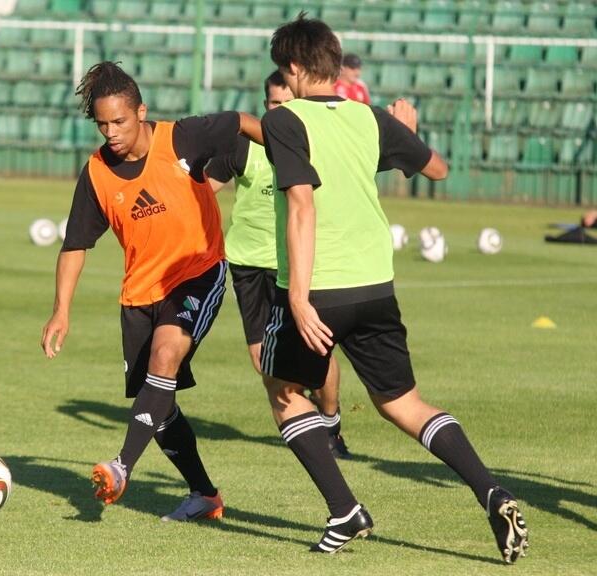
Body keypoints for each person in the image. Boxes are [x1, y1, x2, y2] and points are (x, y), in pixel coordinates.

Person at [259, 15, 529, 563]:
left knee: (284, 392)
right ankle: (491, 491)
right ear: (334, 62)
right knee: (403, 403)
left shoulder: (285, 121)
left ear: (291, 68)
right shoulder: (369, 118)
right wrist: (406, 131)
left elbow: (302, 206)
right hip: (376, 286)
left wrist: (298, 296)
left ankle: (345, 510)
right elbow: (438, 168)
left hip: (324, 288)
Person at [41, 62, 263, 521]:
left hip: (198, 272)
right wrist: (61, 311)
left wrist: (287, 149)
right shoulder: (98, 173)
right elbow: (75, 244)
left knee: (165, 357)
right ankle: (205, 495)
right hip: (140, 294)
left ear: (141, 111)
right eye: (102, 124)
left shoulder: (181, 138)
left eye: (119, 121)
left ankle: (122, 466)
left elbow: (239, 123)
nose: (111, 132)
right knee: (158, 405)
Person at [206, 70, 350, 458]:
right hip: (248, 265)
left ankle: (331, 424)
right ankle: (306, 421)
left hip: (300, 265)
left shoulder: (314, 144)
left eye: (287, 104)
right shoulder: (242, 147)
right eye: (273, 104)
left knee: (317, 355)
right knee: (263, 360)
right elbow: (203, 190)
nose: (280, 110)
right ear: (264, 104)